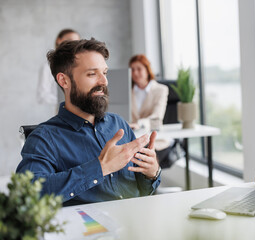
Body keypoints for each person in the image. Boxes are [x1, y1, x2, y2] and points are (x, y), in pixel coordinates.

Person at [17, 39, 161, 206]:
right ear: (64, 81)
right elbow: (27, 193)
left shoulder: (119, 124)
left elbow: (144, 190)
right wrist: (100, 168)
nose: (104, 82)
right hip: (91, 229)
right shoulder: (43, 138)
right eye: (92, 74)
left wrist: (152, 172)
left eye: (105, 73)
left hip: (135, 221)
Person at [37, 29, 80, 106]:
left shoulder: (81, 64)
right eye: (69, 40)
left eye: (76, 42)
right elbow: (42, 96)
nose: (73, 44)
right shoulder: (47, 67)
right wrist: (67, 100)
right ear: (58, 40)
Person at [128, 54, 169, 130]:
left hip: (155, 136)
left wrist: (139, 124)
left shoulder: (161, 90)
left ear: (147, 70)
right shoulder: (128, 91)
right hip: (132, 136)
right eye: (132, 70)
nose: (135, 73)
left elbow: (156, 117)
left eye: (139, 69)